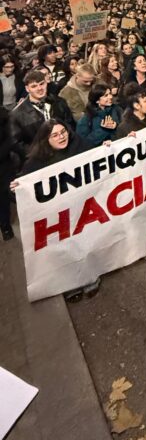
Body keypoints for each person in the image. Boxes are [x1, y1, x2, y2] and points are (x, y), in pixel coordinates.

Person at [16, 120, 99, 300]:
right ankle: (69, 284)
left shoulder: (80, 144)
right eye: (55, 135)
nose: (61, 137)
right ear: (46, 139)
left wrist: (109, 147)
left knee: (84, 242)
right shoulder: (35, 162)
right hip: (57, 215)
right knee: (63, 248)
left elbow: (98, 156)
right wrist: (18, 187)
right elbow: (27, 185)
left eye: (63, 132)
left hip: (81, 207)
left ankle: (88, 276)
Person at [10, 70, 75, 164]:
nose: (39, 88)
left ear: (46, 83)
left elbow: (70, 125)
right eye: (34, 86)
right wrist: (39, 154)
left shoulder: (60, 102)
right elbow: (17, 144)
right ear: (27, 89)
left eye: (41, 84)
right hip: (38, 162)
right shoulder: (16, 114)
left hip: (65, 155)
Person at [0, 105, 18, 240]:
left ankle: (5, 226)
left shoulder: (3, 114)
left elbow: (10, 139)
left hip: (3, 163)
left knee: (4, 195)